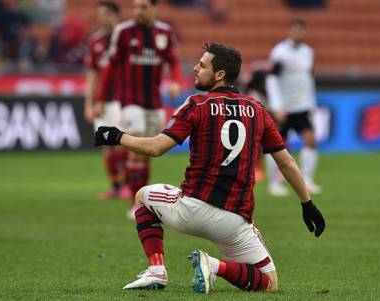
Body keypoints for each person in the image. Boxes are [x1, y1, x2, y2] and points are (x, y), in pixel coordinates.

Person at [94, 43, 326, 294]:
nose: (195, 68)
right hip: (235, 221)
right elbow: (287, 162)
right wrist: (307, 204)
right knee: (269, 282)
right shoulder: (258, 110)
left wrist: (117, 136)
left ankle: (156, 270)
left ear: (220, 75)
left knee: (141, 197)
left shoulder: (196, 104)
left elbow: (155, 148)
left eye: (202, 65)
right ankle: (214, 265)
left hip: (192, 210)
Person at [94, 0, 182, 217]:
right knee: (138, 144)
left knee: (147, 151)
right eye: (135, 7)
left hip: (154, 102)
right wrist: (101, 99)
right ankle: (136, 203)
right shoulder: (123, 32)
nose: (138, 11)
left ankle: (141, 198)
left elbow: (173, 61)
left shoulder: (164, 32)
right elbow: (109, 67)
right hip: (130, 101)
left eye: (143, 7)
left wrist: (175, 82)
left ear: (154, 7)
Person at [265, 19, 322, 196]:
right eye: (296, 30)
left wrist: (311, 103)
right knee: (277, 147)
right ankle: (274, 184)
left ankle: (307, 181)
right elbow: (271, 79)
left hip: (302, 105)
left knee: (310, 140)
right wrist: (277, 105)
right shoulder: (280, 53)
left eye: (302, 31)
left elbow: (308, 78)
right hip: (284, 107)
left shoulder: (308, 52)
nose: (299, 34)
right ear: (290, 31)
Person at [84, 0, 129, 200]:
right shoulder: (96, 41)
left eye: (104, 14)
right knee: (106, 143)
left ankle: (128, 183)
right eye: (99, 14)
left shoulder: (127, 37)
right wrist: (89, 103)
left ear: (114, 14)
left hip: (123, 99)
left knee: (123, 142)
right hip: (102, 100)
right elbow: (93, 73)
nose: (101, 18)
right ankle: (115, 186)